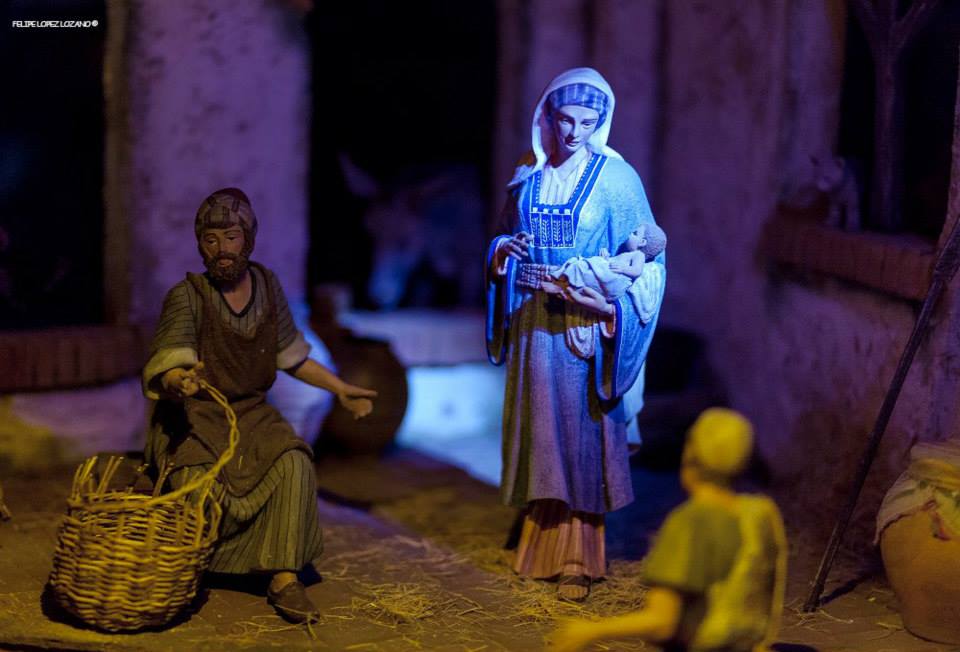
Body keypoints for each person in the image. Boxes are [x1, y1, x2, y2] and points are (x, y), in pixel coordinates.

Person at [143, 188, 377, 623]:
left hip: (251, 413)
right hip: (195, 415)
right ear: (200, 244)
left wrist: (339, 388)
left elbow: (292, 356)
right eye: (211, 239)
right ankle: (194, 566)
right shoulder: (187, 296)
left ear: (248, 239)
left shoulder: (267, 287)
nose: (222, 249)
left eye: (231, 237)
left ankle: (283, 577)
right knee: (196, 479)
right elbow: (169, 361)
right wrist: (180, 380)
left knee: (293, 463)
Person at [485, 67, 666, 601]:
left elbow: (650, 259)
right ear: (547, 116)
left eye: (588, 123)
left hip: (580, 328)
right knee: (541, 431)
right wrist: (501, 253)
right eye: (565, 120)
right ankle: (538, 538)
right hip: (531, 322)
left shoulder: (617, 180)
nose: (574, 133)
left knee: (581, 432)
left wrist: (609, 305)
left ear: (602, 122)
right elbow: (502, 233)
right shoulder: (528, 173)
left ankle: (578, 557)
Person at [552, 408, 787, 652]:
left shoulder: (690, 523)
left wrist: (591, 630)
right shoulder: (760, 514)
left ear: (690, 456)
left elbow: (662, 622)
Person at [545, 223, 666, 320]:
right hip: (611, 275)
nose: (629, 235)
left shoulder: (638, 255)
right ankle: (559, 282)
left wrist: (623, 269)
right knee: (579, 264)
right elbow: (614, 262)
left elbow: (637, 271)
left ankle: (561, 285)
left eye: (634, 234)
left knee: (581, 266)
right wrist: (606, 258)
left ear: (643, 242)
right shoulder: (628, 254)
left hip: (616, 280)